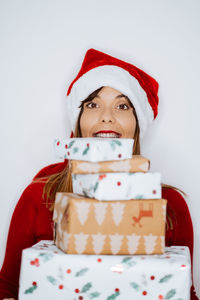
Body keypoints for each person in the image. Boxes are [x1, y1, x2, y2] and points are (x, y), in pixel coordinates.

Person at [0, 48, 198, 300]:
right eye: (93, 104)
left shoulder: (171, 205)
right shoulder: (39, 196)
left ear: (137, 124)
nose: (107, 117)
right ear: (79, 121)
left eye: (122, 105)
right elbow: (6, 287)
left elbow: (183, 291)